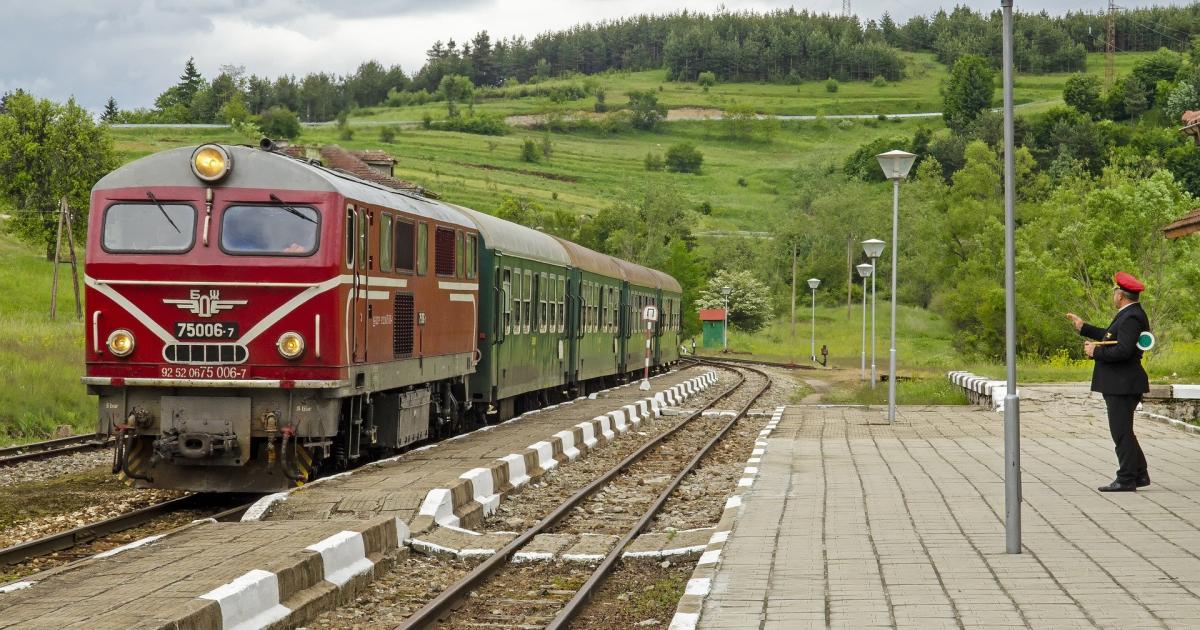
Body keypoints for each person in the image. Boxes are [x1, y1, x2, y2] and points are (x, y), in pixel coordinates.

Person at [1066, 271, 1151, 492]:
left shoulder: (1131, 317)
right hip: (1120, 383)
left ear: (1120, 295)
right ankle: (1139, 474)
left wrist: (1096, 353)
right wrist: (1084, 327)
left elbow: (1123, 350)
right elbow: (1110, 337)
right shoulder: (1129, 314)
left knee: (1121, 432)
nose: (1113, 295)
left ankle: (1126, 479)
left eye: (1114, 292)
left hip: (1123, 384)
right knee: (1125, 431)